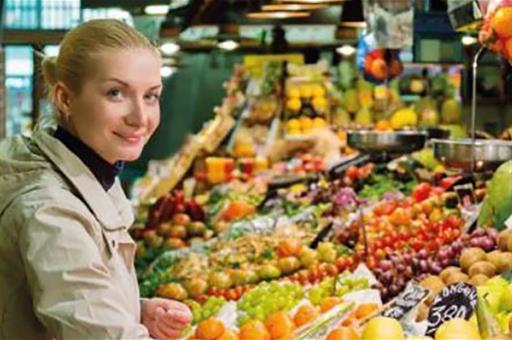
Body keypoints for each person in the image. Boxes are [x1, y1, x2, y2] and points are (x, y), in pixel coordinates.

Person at [0, 19, 192, 339]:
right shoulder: (50, 211)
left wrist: (136, 311)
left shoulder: (89, 169)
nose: (140, 118)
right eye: (116, 93)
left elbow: (67, 301)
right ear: (65, 99)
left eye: (151, 96)